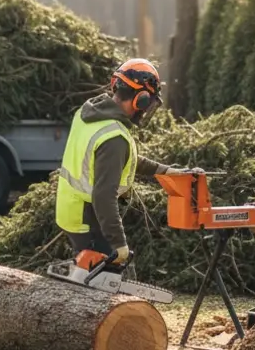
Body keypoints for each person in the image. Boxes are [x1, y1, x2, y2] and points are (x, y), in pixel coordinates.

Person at [54, 58, 199, 266]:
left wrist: (166, 171)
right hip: (89, 218)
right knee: (103, 282)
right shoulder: (114, 136)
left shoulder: (90, 114)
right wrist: (118, 243)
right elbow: (104, 196)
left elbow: (125, 159)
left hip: (72, 209)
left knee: (88, 277)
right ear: (141, 99)